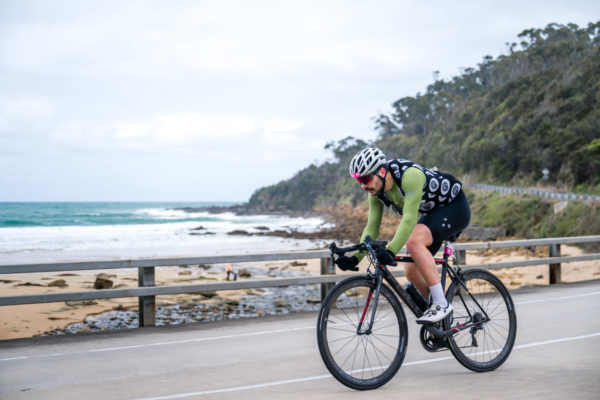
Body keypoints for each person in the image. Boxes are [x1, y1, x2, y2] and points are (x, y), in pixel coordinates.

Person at [335, 147, 470, 324]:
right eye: (358, 180)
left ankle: (441, 304)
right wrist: (355, 258)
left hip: (455, 207)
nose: (363, 185)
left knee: (413, 241)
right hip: (434, 213)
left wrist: (391, 251)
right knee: (411, 270)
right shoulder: (376, 191)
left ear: (382, 171)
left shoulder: (409, 176)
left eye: (366, 178)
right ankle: (444, 322)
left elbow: (409, 219)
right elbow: (372, 227)